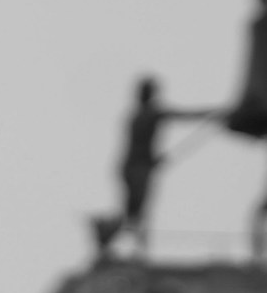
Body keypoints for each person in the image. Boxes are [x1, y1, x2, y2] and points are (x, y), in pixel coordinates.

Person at [92, 76, 215, 256]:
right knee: (136, 213)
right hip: (138, 168)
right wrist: (212, 113)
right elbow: (182, 116)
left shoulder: (135, 115)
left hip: (131, 167)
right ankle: (130, 246)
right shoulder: (149, 113)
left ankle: (113, 238)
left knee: (132, 212)